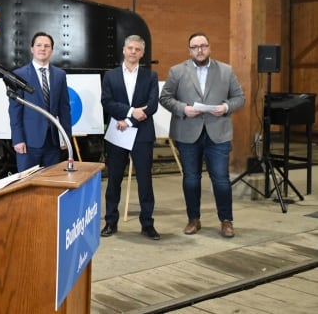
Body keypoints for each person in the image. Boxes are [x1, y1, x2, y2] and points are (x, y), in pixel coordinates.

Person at [159, 32, 245, 238]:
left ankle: (226, 220)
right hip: (188, 132)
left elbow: (239, 97)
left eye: (203, 46)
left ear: (209, 47)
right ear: (189, 50)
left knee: (221, 179)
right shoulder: (177, 71)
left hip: (218, 133)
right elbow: (165, 98)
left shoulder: (226, 70)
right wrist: (183, 109)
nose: (200, 50)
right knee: (191, 179)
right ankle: (193, 219)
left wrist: (225, 107)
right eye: (195, 47)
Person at [100, 35, 161, 240]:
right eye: (130, 48)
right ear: (124, 50)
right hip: (118, 133)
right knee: (114, 179)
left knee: (145, 181)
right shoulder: (110, 75)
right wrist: (130, 111)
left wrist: (130, 121)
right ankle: (110, 221)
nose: (133, 52)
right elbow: (106, 102)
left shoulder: (150, 77)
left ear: (142, 53)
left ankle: (147, 224)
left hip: (141, 134)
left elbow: (152, 106)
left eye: (137, 49)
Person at [8, 31, 72, 172]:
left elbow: (64, 109)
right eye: (39, 45)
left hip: (53, 142)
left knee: (50, 183)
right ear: (32, 49)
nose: (42, 49)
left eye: (47, 46)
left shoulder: (60, 75)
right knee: (26, 185)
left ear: (52, 50)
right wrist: (18, 139)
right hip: (28, 142)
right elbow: (15, 110)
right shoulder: (19, 75)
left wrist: (65, 137)